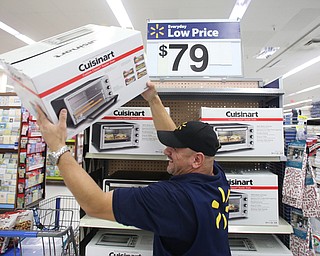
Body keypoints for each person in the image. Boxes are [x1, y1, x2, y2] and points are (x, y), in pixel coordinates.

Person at [35, 81, 231, 256]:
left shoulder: (173, 199)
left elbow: (95, 204)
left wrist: (58, 147)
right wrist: (153, 99)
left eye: (175, 149)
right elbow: (173, 134)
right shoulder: (215, 175)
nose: (166, 151)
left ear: (196, 160)